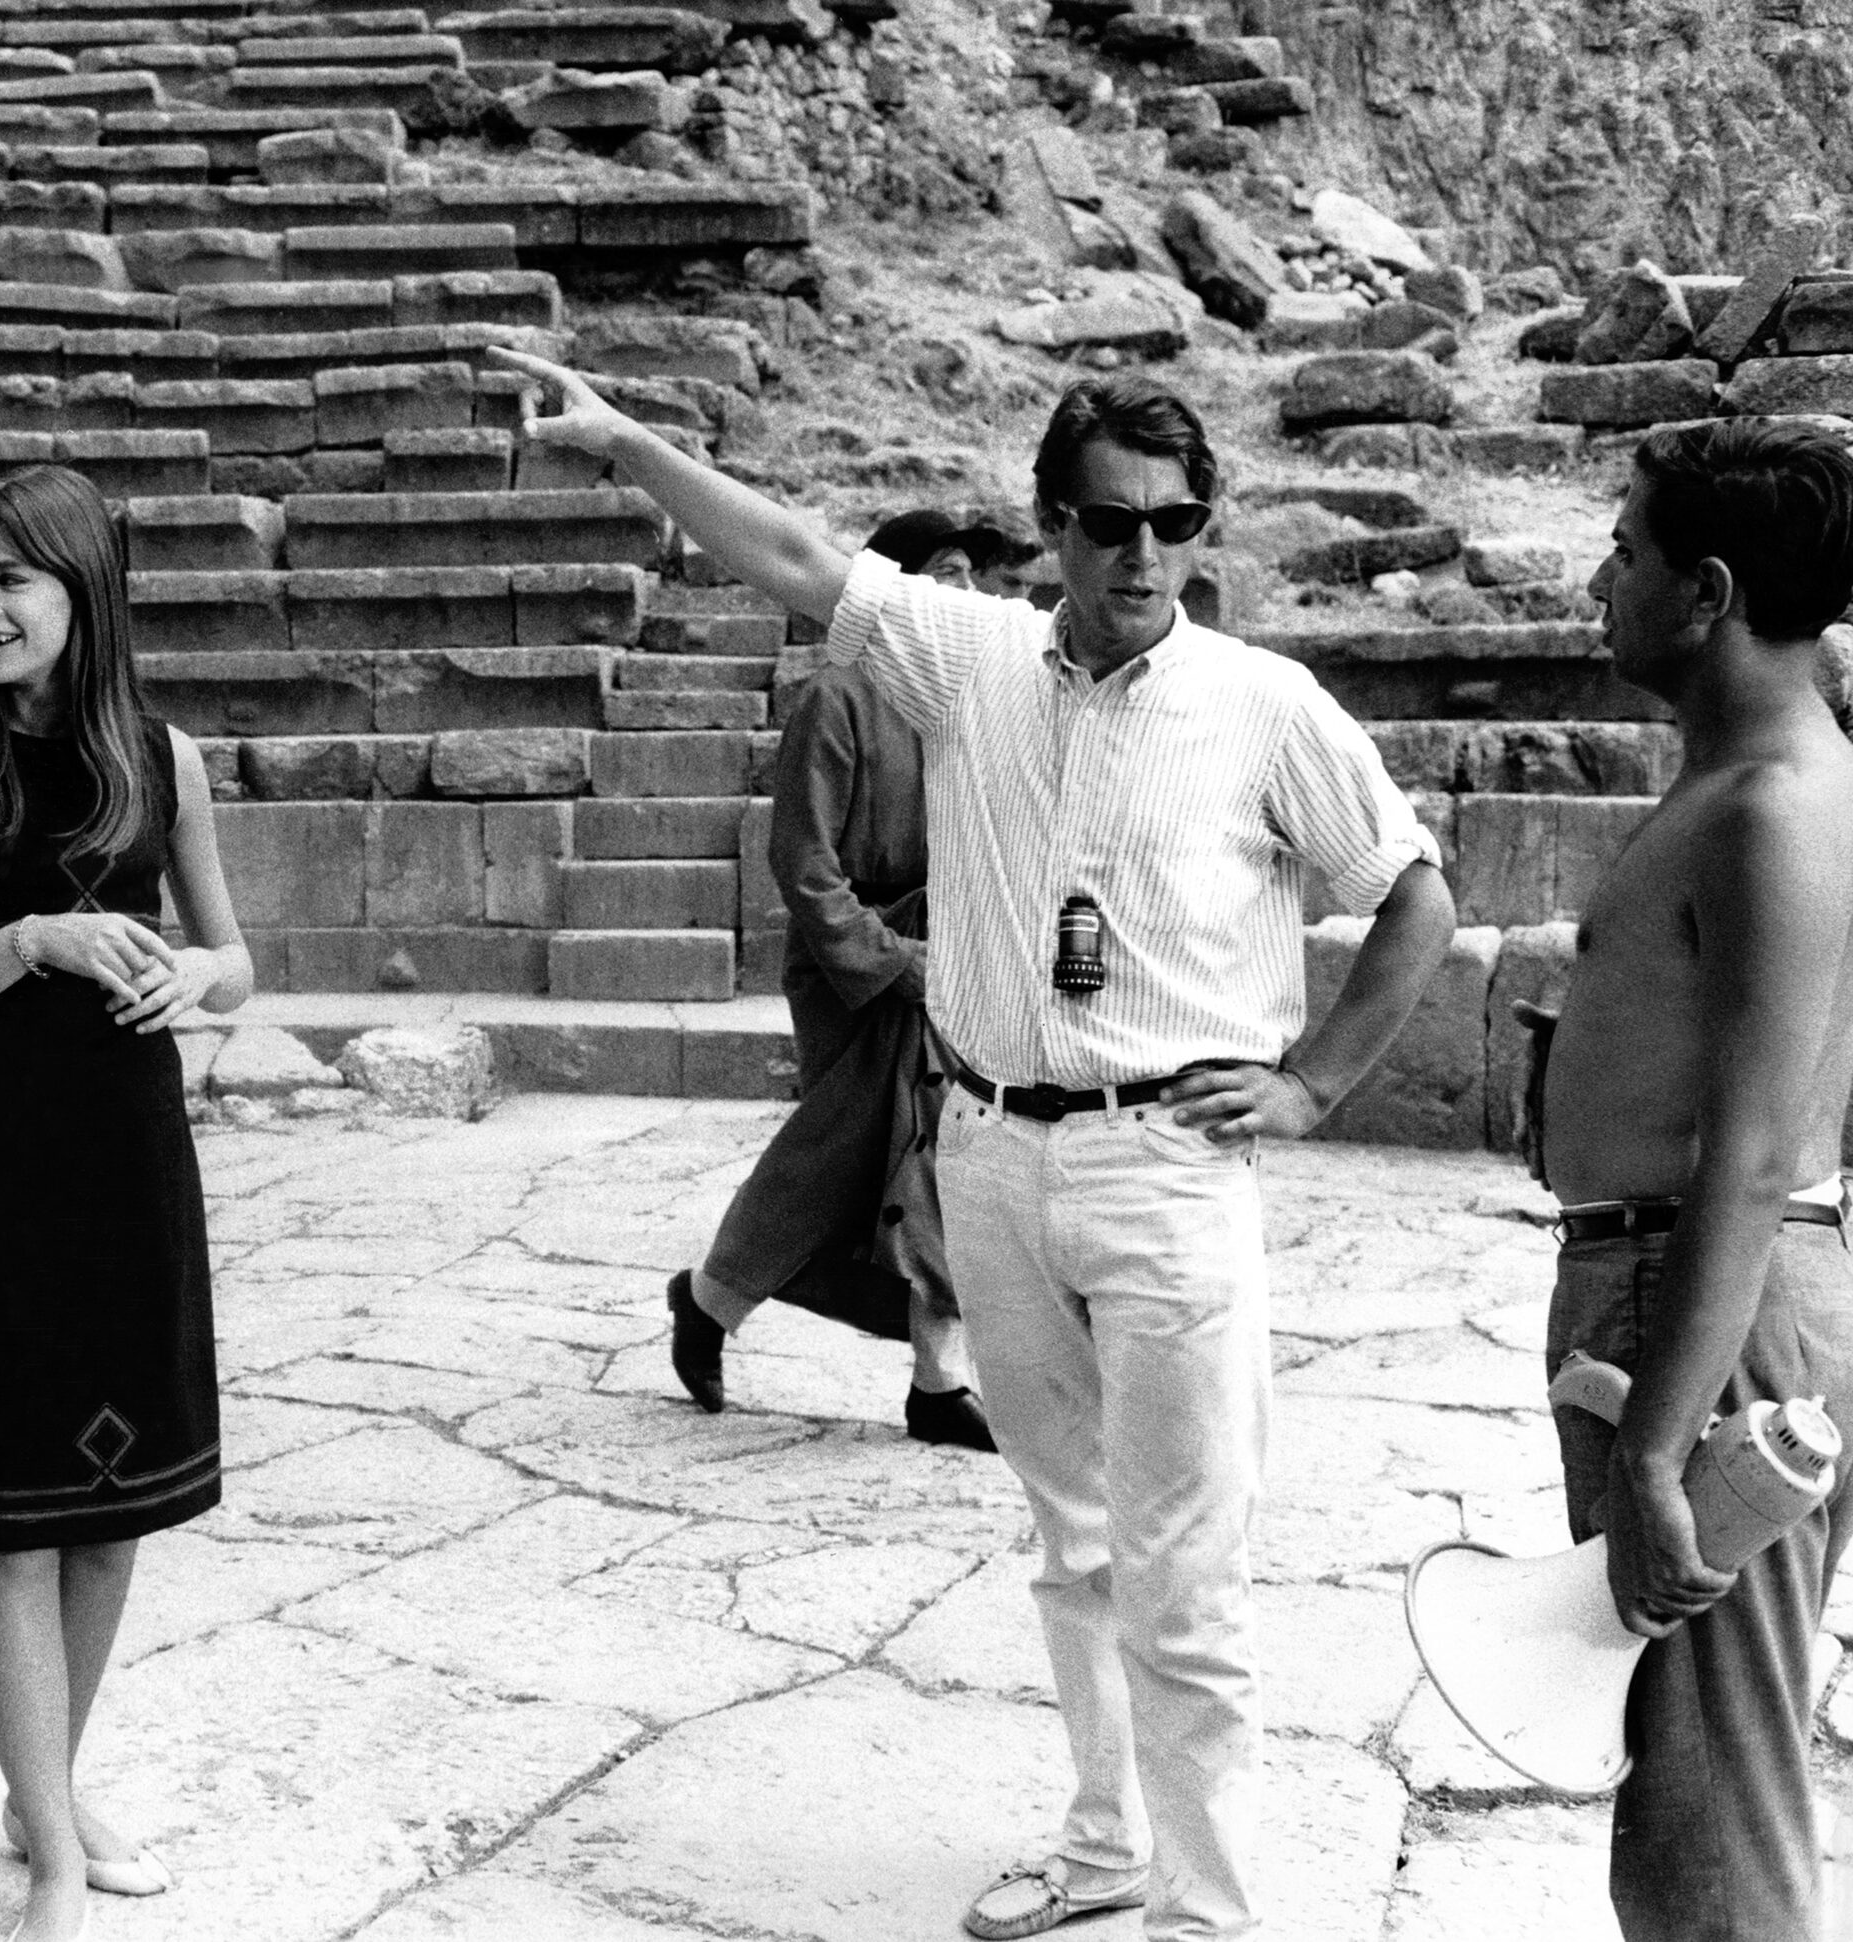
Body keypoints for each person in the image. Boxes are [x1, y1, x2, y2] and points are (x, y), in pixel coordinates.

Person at [495, 350, 1455, 1942]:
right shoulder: (968, 658)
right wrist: (626, 439)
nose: (1144, 553)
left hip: (1167, 1168)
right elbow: (801, 559)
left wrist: (1315, 1085)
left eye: (1176, 520)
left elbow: (1411, 888)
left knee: (1188, 1571)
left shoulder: (1264, 703)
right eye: (1106, 522)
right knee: (1071, 1541)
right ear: (1050, 529)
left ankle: (1205, 1915)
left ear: (1205, 528)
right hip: (997, 1151)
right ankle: (1101, 1856)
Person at [0, 464, 253, 1942]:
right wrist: (26, 941)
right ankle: (56, 1864)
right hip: (5, 1169)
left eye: (14, 577)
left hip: (135, 1163)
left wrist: (190, 972)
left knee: (112, 1508)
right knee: (13, 1517)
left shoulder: (165, 754)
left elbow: (236, 960)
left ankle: (47, 1791)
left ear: (84, 587)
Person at [1526, 418, 1853, 1942]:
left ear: (1707, 590)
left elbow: (1762, 1146)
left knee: (1710, 1812)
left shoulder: (1774, 807)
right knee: (1688, 1781)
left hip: (1699, 1309)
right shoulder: (1770, 781)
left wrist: (1661, 1449)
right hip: (1706, 1296)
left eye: (1629, 548)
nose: (1604, 577)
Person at [666, 509, 1004, 1450]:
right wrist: (894, 962)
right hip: (853, 966)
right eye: (944, 573)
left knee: (943, 1154)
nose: (966, 595)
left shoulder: (969, 701)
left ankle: (937, 1381)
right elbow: (804, 863)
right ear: (892, 590)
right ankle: (711, 1300)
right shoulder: (837, 698)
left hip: (952, 962)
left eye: (974, 575)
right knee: (842, 1153)